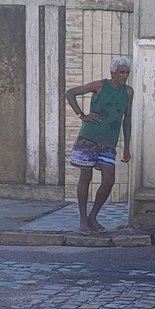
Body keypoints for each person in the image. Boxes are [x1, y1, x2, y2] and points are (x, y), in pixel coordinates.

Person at [65, 57, 133, 234]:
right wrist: (82, 115)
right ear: (113, 73)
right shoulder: (100, 85)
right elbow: (70, 93)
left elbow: (127, 120)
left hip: (109, 142)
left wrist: (127, 146)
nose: (124, 76)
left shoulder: (128, 92)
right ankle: (83, 220)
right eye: (121, 72)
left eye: (127, 72)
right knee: (85, 177)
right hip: (89, 137)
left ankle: (93, 217)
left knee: (109, 180)